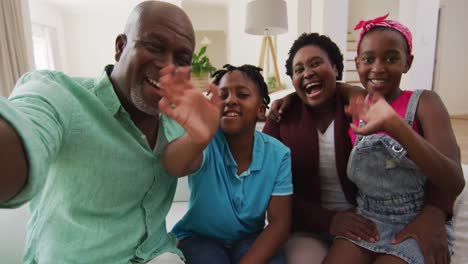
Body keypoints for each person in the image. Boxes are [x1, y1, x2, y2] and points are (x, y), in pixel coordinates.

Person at [0, 1, 196, 263]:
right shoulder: (60, 95)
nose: (168, 67)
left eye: (182, 59)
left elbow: (195, 163)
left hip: (156, 254)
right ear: (120, 47)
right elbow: (27, 126)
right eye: (153, 46)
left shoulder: (179, 121)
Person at [264, 31, 461, 264]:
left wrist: (435, 211)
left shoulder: (361, 107)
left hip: (368, 218)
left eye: (316, 63)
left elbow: (443, 170)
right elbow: (269, 189)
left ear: (337, 70)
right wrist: (329, 220)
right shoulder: (283, 117)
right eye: (299, 69)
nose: (308, 72)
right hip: (319, 224)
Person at [322, 14, 465, 264]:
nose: (378, 68)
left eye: (391, 58)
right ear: (357, 63)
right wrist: (284, 100)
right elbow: (332, 85)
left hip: (415, 220)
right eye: (369, 59)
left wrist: (396, 125)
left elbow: (454, 181)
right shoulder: (357, 103)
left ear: (407, 62)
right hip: (367, 217)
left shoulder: (425, 103)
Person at [157, 64, 293, 264]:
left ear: (261, 110)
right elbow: (174, 166)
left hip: (249, 237)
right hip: (199, 238)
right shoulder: (205, 141)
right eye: (223, 95)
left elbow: (279, 224)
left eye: (243, 95)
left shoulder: (279, 154)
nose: (230, 101)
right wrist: (198, 136)